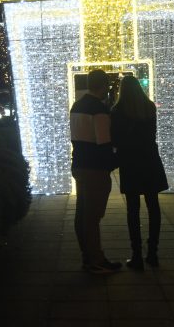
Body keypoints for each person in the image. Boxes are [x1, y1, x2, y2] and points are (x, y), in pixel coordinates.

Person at [110, 75, 169, 270]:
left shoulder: (117, 111)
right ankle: (153, 252)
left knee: (132, 209)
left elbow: (116, 140)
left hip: (131, 163)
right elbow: (152, 134)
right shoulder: (149, 107)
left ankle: (136, 255)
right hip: (150, 160)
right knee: (153, 205)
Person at [70, 69, 121, 274]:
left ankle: (87, 257)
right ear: (105, 86)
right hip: (95, 168)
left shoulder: (77, 106)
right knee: (92, 216)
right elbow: (104, 142)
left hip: (79, 164)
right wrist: (115, 161)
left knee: (82, 214)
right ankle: (96, 260)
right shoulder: (98, 109)